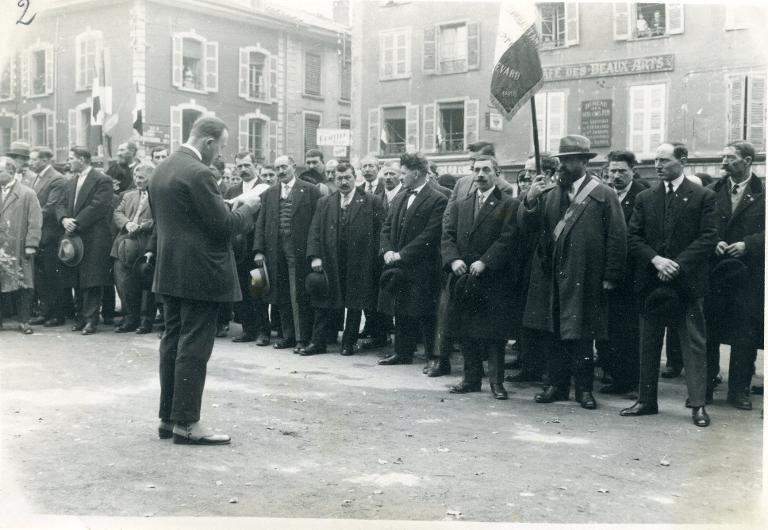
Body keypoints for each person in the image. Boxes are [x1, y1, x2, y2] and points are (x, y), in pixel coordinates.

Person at [148, 116, 260, 445]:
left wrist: (225, 205)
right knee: (194, 347)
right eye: (221, 146)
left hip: (170, 271)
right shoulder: (200, 173)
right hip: (201, 274)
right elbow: (224, 226)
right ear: (208, 142)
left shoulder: (163, 167)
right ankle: (187, 423)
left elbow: (179, 219)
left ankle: (169, 418)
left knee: (172, 342)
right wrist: (248, 208)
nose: (220, 154)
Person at [520, 135, 626, 410]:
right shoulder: (549, 194)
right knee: (553, 333)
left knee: (582, 336)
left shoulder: (603, 194)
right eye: (561, 160)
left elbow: (617, 237)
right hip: (551, 276)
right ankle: (556, 385)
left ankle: (584, 390)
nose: (562, 166)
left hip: (586, 276)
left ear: (583, 162)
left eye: (568, 160)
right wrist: (530, 199)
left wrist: (610, 275)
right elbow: (528, 228)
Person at [621, 142, 717, 427]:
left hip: (687, 284)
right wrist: (656, 260)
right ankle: (646, 400)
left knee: (693, 345)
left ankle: (698, 405)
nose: (658, 165)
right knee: (648, 342)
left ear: (682, 161)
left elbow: (708, 237)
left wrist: (676, 264)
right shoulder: (646, 197)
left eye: (664, 160)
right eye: (655, 160)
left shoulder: (703, 196)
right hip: (652, 281)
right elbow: (633, 236)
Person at [442, 154, 520, 399]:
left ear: (496, 173)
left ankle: (497, 383)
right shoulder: (461, 204)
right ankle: (471, 379)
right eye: (476, 170)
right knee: (466, 332)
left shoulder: (508, 204)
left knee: (493, 335)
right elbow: (448, 236)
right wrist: (453, 259)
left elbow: (508, 238)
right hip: (464, 278)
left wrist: (485, 261)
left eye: (486, 170)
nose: (481, 175)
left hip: (492, 279)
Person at [705, 141, 764, 410]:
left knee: (744, 334)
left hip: (747, 277)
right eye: (723, 156)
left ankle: (738, 391)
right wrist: (714, 240)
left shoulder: (762, 192)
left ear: (748, 161)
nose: (724, 162)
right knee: (709, 331)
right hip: (716, 274)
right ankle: (704, 387)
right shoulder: (711, 191)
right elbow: (701, 225)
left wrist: (748, 244)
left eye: (730, 157)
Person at [304, 162, 385, 355]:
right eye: (339, 178)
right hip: (331, 259)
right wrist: (315, 256)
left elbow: (381, 232)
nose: (343, 182)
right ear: (334, 179)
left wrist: (374, 258)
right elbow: (315, 231)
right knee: (324, 300)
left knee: (355, 302)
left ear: (355, 177)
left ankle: (348, 342)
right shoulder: (325, 202)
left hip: (360, 260)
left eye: (347, 177)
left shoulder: (371, 201)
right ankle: (318, 342)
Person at [378, 152, 447, 366]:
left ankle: (433, 357)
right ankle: (402, 352)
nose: (401, 177)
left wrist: (402, 254)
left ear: (416, 173)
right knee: (401, 309)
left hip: (423, 266)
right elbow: (386, 228)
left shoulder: (437, 199)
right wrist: (387, 250)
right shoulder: (400, 196)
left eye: (404, 173)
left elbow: (430, 234)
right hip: (399, 264)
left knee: (426, 312)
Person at [254, 154, 321, 352]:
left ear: (293, 166)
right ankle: (288, 335)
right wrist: (258, 251)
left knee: (297, 293)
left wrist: (314, 251)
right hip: (275, 248)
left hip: (299, 249)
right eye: (278, 168)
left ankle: (302, 338)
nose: (281, 171)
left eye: (284, 167)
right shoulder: (269, 193)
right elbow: (261, 224)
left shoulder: (310, 190)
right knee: (281, 292)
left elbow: (317, 224)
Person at [595, 150, 646, 395]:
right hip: (603, 271)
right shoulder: (603, 195)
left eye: (622, 171)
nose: (616, 176)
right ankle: (611, 371)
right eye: (612, 171)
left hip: (631, 275)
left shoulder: (642, 196)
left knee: (626, 330)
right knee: (606, 327)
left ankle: (628, 379)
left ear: (633, 171)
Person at [55, 146, 114, 335]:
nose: (68, 162)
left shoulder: (102, 179)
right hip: (74, 237)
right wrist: (64, 219)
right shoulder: (70, 182)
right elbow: (60, 204)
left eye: (71, 158)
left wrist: (76, 222)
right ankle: (81, 317)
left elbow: (99, 206)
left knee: (92, 279)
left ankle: (91, 320)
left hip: (94, 236)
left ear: (82, 159)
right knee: (77, 277)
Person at [224, 152, 271, 345]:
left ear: (255, 166)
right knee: (241, 291)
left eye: (247, 165)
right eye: (240, 166)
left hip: (256, 249)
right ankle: (247, 329)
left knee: (258, 291)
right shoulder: (231, 191)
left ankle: (263, 331)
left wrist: (260, 248)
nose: (243, 170)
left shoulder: (266, 189)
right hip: (237, 250)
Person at [26, 147, 68, 327]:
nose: (30, 162)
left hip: (50, 235)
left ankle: (57, 315)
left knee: (52, 276)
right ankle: (45, 312)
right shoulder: (37, 177)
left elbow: (51, 207)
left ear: (44, 160)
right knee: (41, 277)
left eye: (34, 159)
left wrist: (29, 219)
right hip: (39, 233)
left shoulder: (57, 179)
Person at [111, 163, 155, 333]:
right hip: (123, 245)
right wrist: (128, 223)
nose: (137, 180)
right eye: (136, 177)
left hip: (145, 244)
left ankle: (146, 321)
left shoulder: (157, 197)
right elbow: (117, 213)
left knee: (145, 284)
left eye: (141, 178)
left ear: (150, 179)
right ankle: (129, 318)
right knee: (124, 283)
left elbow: (160, 218)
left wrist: (144, 226)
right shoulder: (128, 196)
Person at [0, 157, 42, 334]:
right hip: (1, 246)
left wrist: (31, 243)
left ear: (11, 172)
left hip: (19, 245)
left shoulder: (27, 193)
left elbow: (35, 221)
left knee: (24, 283)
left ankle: (24, 321)